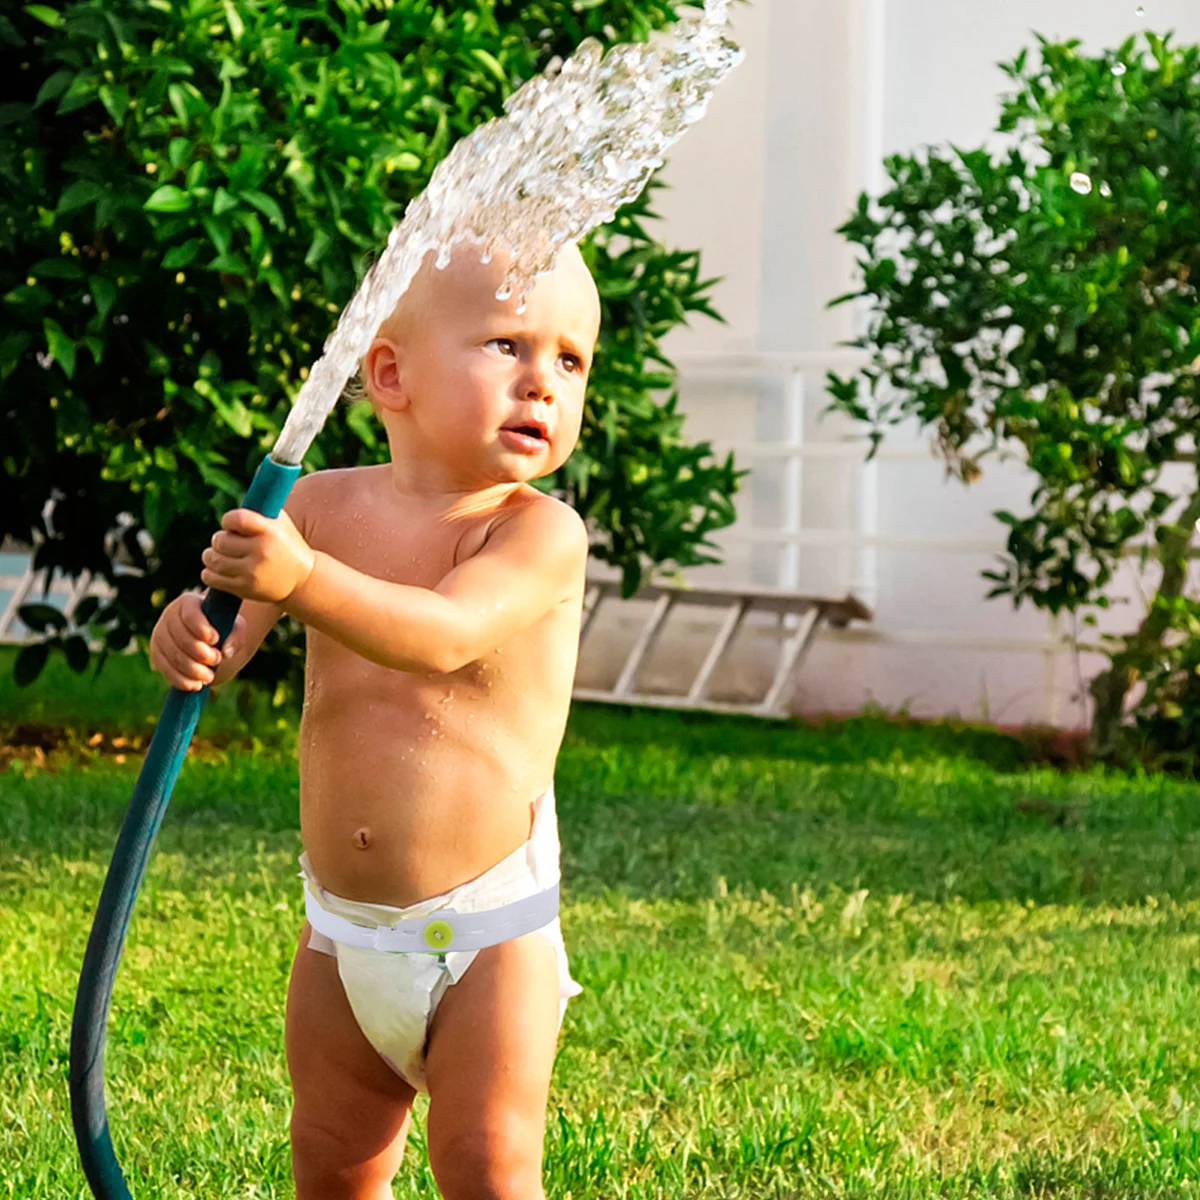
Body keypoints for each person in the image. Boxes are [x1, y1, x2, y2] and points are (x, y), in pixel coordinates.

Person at [148, 242, 602, 1200]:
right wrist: (188, 632)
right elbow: (225, 643)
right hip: (342, 931)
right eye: (507, 345)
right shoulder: (315, 506)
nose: (542, 384)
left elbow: (441, 635)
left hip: (487, 935)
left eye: (571, 360)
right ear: (389, 372)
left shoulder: (533, 532)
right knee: (331, 1152)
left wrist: (303, 578)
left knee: (486, 1161)